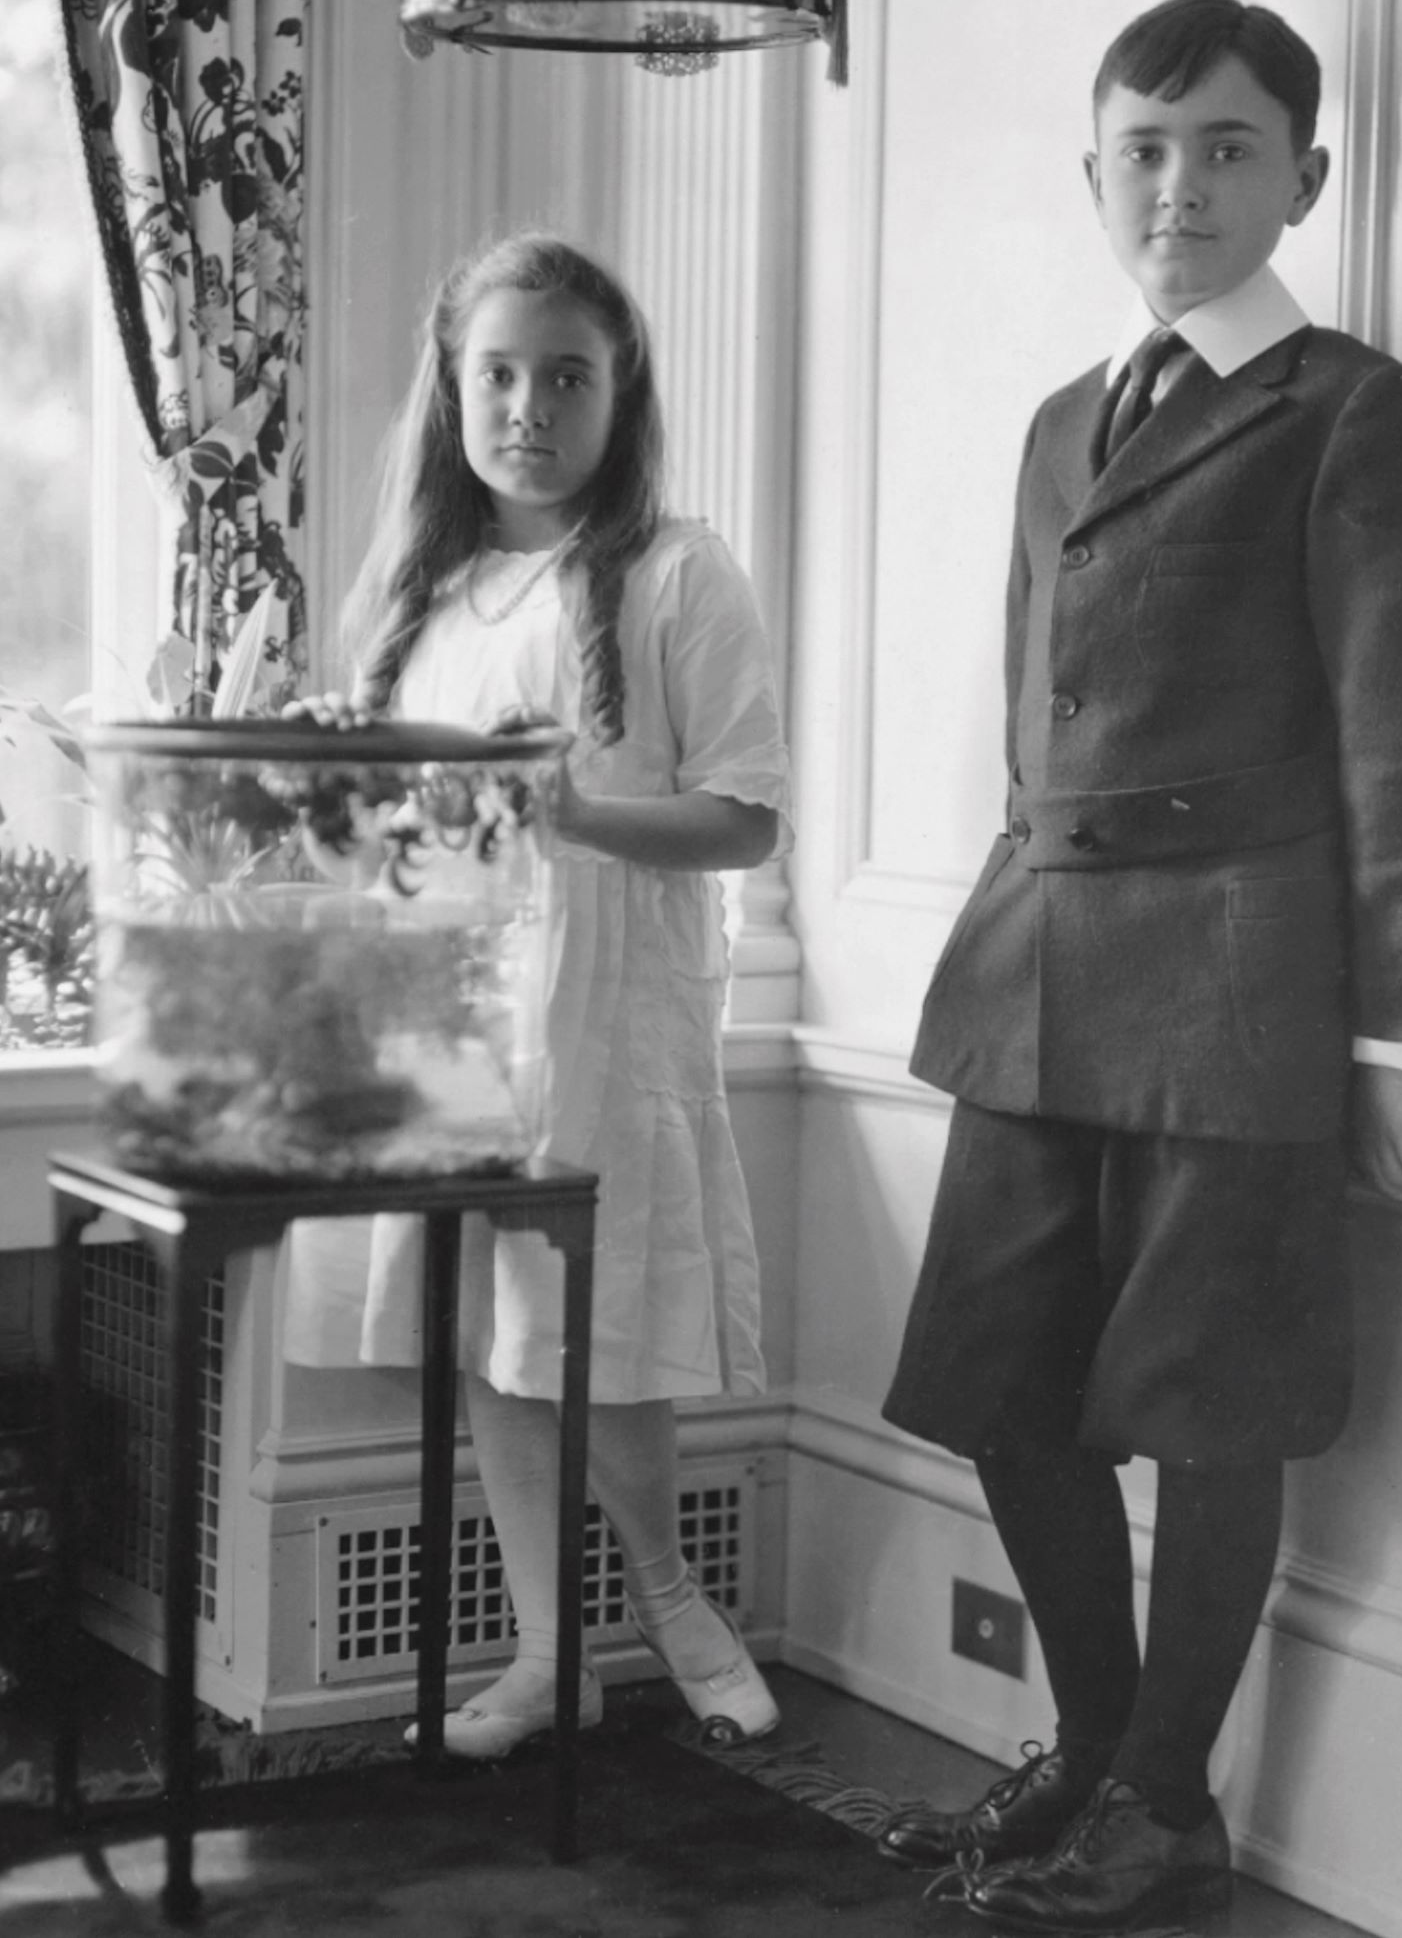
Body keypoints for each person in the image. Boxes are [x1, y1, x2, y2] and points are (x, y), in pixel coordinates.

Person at [875, 0, 1402, 1932]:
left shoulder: (1352, 410)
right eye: (1142, 151)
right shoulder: (1067, 418)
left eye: (1226, 147)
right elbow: (1023, 710)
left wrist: (1395, 1036)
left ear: (1301, 175)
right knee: (999, 1382)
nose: (1180, 185)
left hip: (1238, 990)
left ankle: (1163, 1802)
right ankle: (1086, 1745)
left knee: (1209, 1402)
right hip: (1037, 968)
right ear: (1090, 177)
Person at [281, 233, 790, 1761]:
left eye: (564, 375)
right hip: (447, 1021)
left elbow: (746, 817)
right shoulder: (414, 588)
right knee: (493, 1338)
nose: (526, 406)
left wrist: (563, 807)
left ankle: (669, 1600)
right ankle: (544, 1651)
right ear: (452, 391)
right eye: (496, 374)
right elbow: (388, 842)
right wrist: (339, 776)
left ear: (617, 393)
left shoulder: (675, 572)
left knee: (605, 1329)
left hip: (606, 1017)